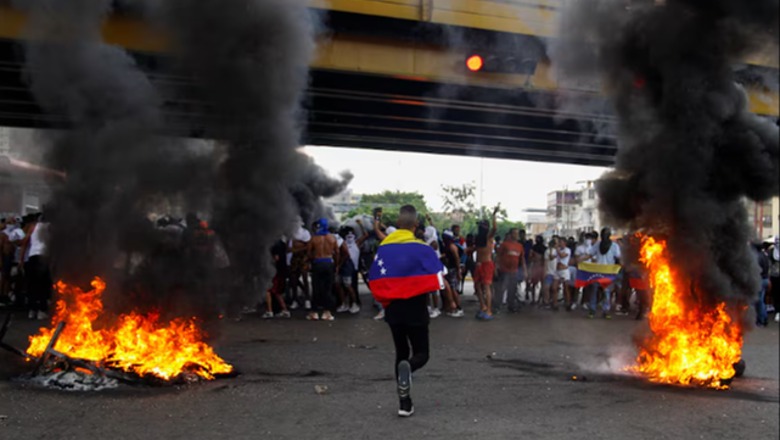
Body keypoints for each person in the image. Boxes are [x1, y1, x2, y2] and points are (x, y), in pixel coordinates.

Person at [368, 205, 442, 417]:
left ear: (398, 224)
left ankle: (404, 403)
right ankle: (409, 367)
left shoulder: (384, 248)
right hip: (416, 310)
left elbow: (374, 276)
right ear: (416, 225)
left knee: (401, 352)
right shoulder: (423, 249)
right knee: (422, 354)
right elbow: (437, 278)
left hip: (394, 311)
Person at [19, 213, 51, 320]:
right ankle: (41, 310)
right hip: (44, 257)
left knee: (32, 284)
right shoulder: (50, 227)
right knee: (43, 285)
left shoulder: (32, 227)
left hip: (32, 257)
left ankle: (32, 310)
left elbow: (24, 243)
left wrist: (21, 259)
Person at [307, 218, 338, 321]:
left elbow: (308, 253)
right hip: (329, 263)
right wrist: (336, 265)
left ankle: (314, 312)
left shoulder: (314, 239)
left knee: (316, 288)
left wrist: (311, 261)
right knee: (327, 289)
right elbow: (337, 253)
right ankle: (327, 312)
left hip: (317, 263)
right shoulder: (332, 238)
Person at [587, 227, 621, 319]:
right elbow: (590, 254)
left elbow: (618, 257)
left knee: (606, 292)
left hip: (608, 273)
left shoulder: (614, 246)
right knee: (595, 291)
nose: (604, 236)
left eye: (606, 235)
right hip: (597, 272)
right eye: (603, 235)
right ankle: (592, 310)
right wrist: (580, 260)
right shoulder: (597, 245)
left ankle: (605, 311)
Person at [474, 206, 499, 320]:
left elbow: (494, 228)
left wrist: (494, 215)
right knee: (477, 286)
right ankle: (483, 306)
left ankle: (488, 310)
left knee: (487, 287)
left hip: (487, 264)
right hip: (479, 264)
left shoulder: (488, 236)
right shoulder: (478, 238)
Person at [496, 228, 528, 312]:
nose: (516, 235)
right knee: (502, 288)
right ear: (510, 234)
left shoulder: (519, 246)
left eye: (517, 234)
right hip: (504, 270)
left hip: (514, 271)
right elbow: (498, 256)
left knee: (512, 289)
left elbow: (522, 259)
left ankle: (511, 306)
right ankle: (497, 306)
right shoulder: (505, 244)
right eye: (514, 233)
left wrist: (525, 271)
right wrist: (496, 267)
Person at [262, 239, 291, 319]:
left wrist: (268, 264)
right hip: (281, 270)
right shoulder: (282, 243)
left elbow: (276, 258)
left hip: (275, 271)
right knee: (277, 292)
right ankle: (284, 310)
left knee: (268, 289)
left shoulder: (274, 244)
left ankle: (269, 311)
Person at [753, 242, 770, 327]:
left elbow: (758, 270)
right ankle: (764, 318)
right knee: (761, 300)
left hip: (760, 280)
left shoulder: (757, 257)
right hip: (766, 279)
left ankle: (761, 320)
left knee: (759, 301)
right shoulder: (764, 255)